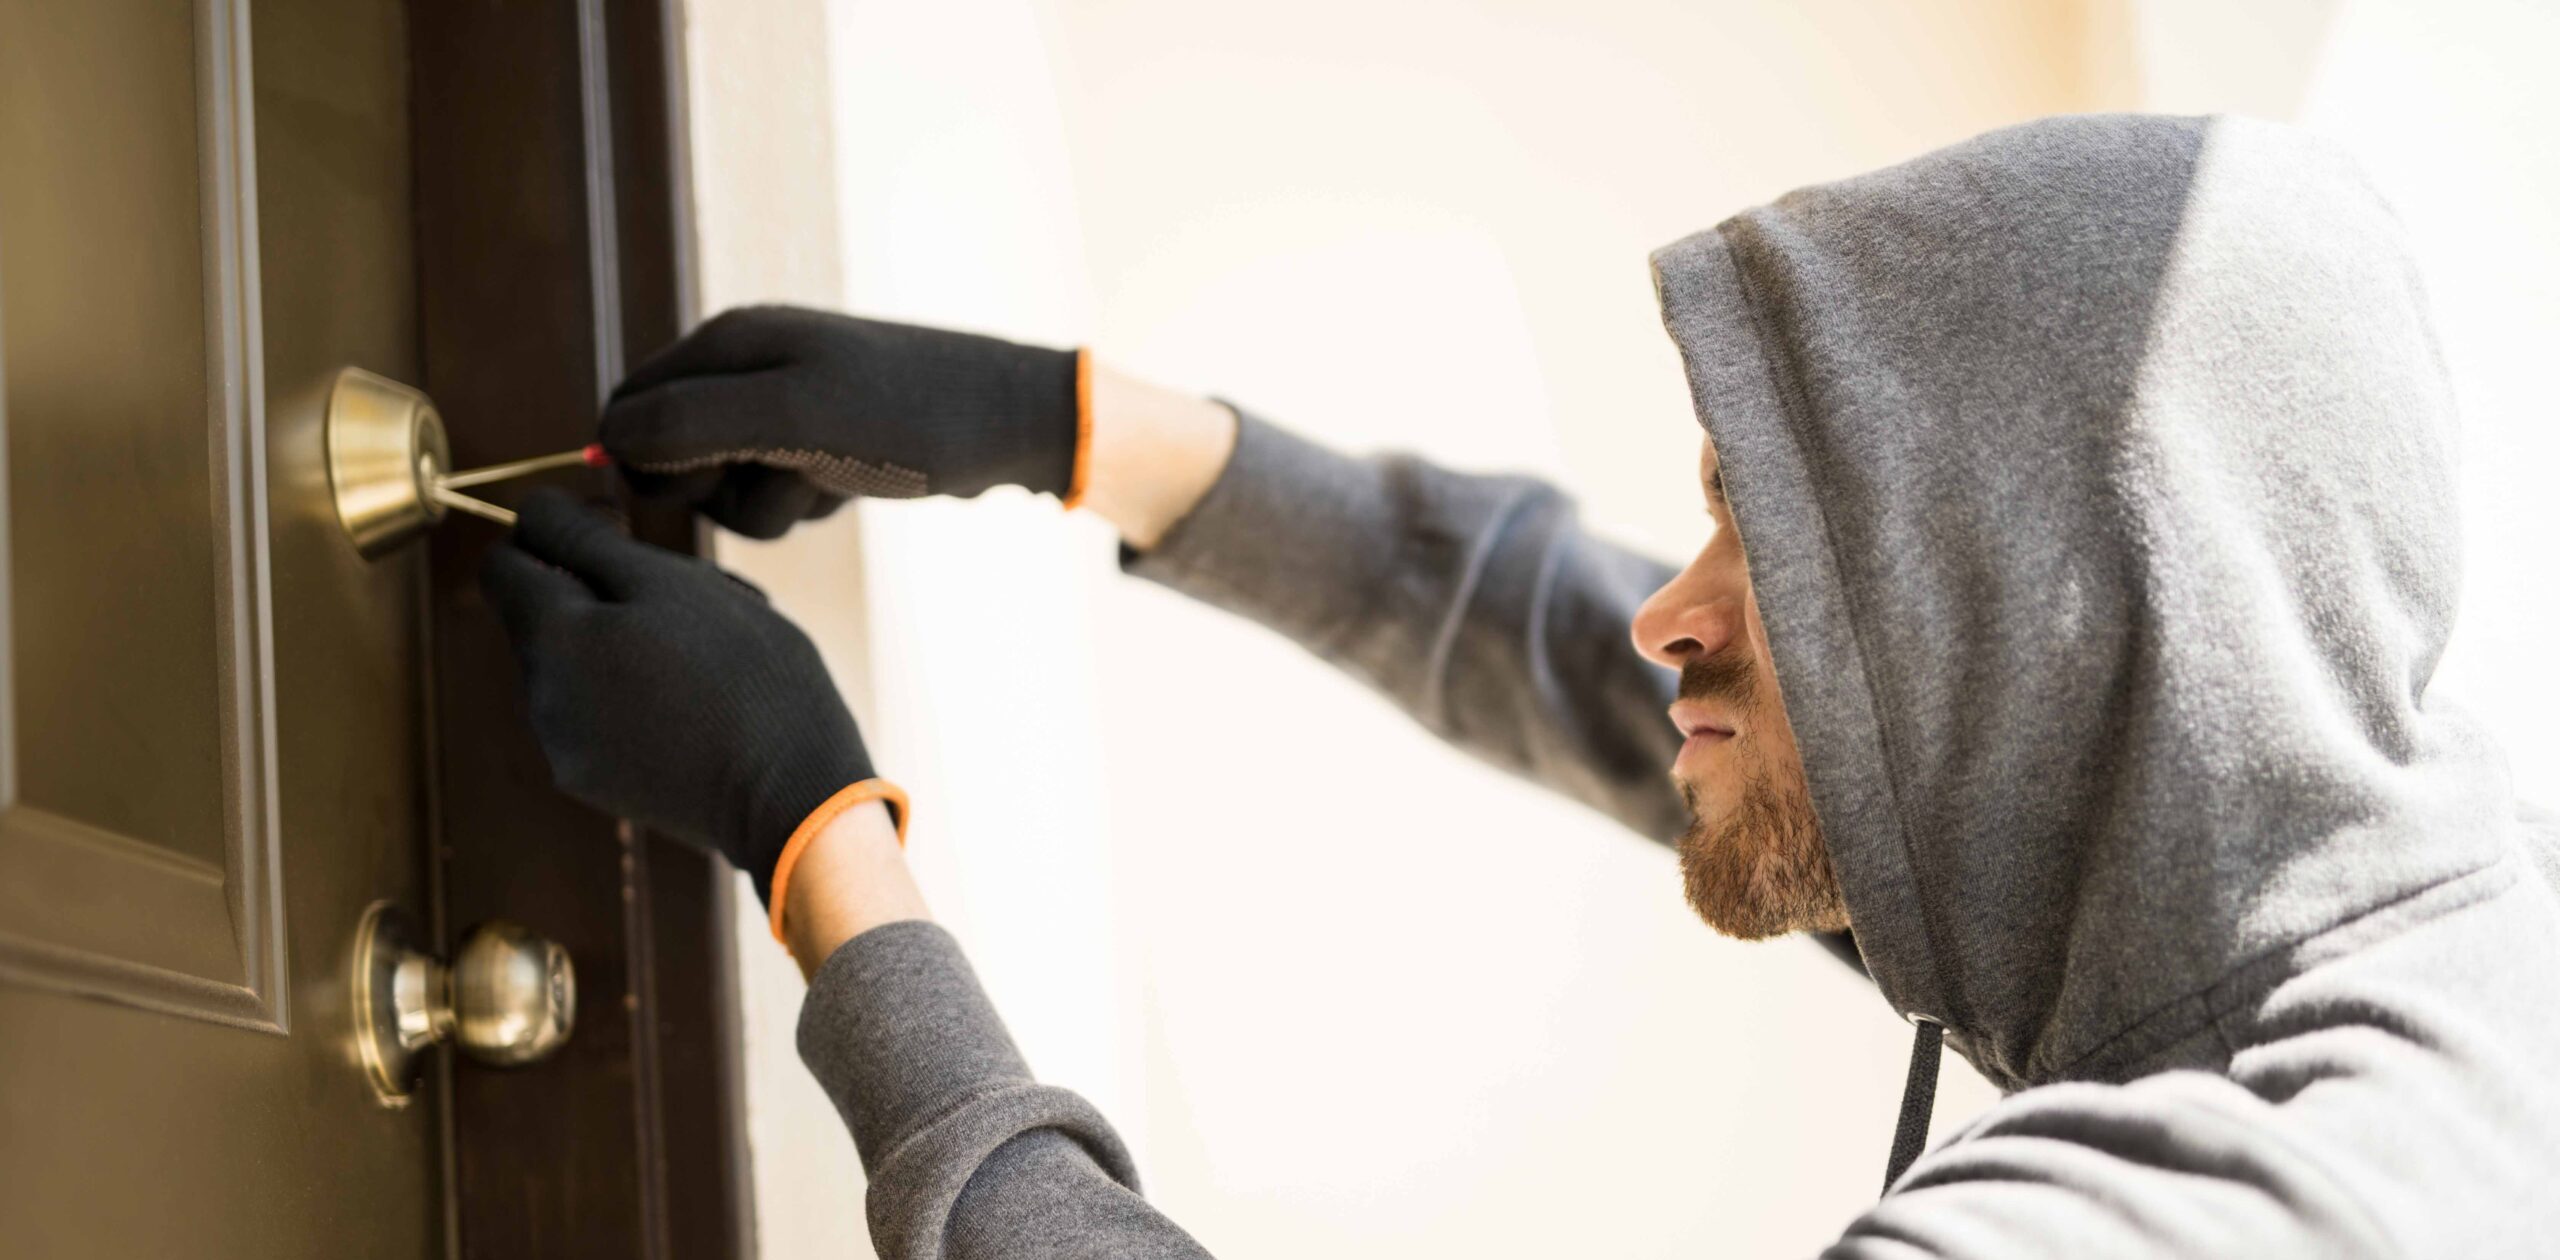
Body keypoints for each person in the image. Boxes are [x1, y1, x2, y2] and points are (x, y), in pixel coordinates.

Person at [482, 114, 2560, 1257]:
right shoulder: (2299, 834)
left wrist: (817, 845)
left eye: (1764, 549)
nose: (1672, 614)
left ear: (2036, 618)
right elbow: (1587, 659)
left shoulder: (2253, 1214)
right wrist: (1057, 423)